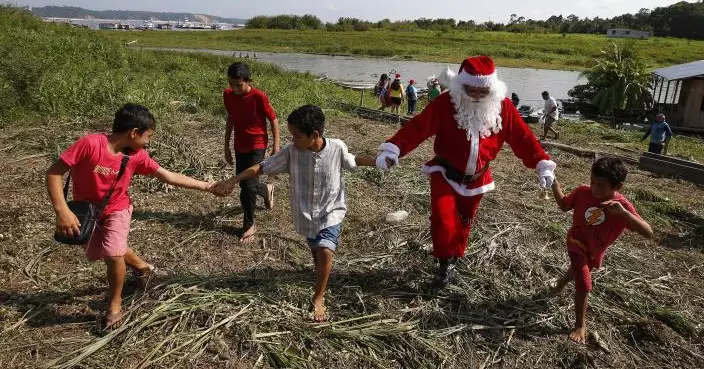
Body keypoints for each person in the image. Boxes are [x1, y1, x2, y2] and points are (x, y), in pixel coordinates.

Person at [375, 56, 556, 288]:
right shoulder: (445, 103)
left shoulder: (504, 108)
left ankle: (454, 258)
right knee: (443, 217)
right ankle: (443, 263)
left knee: (465, 221)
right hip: (445, 173)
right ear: (462, 85)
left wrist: (541, 162)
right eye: (472, 90)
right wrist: (393, 149)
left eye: (484, 91)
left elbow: (523, 139)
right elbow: (418, 127)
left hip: (478, 178)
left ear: (492, 88)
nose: (478, 96)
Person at [46, 104, 218, 330]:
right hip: (88, 211)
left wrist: (208, 186)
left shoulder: (137, 156)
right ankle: (144, 268)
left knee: (113, 254)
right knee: (108, 248)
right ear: (133, 132)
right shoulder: (90, 144)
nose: (149, 142)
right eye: (148, 136)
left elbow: (168, 176)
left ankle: (114, 306)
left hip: (118, 209)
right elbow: (54, 172)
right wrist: (62, 210)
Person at [214, 105, 377, 322]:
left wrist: (379, 161)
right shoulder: (292, 152)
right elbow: (261, 168)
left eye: (296, 136)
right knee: (317, 250)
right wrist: (232, 180)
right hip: (306, 214)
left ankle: (318, 297)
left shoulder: (337, 147)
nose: (292, 140)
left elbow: (354, 160)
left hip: (332, 211)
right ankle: (319, 269)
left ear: (315, 135)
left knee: (326, 251)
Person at [549, 157, 653, 344]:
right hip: (576, 242)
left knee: (576, 270)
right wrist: (554, 183)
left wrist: (623, 214)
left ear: (617, 187)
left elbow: (648, 232)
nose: (594, 188)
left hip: (594, 250)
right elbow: (564, 205)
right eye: (592, 182)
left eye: (601, 185)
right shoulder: (582, 193)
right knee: (584, 282)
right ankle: (580, 325)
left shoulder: (620, 206)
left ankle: (560, 283)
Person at [223, 62, 280, 243]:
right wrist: (226, 145)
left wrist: (276, 145)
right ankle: (266, 189)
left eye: (238, 85)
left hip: (258, 143)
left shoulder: (259, 97)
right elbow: (231, 118)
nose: (235, 88)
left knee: (247, 187)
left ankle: (249, 225)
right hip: (240, 144)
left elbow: (273, 119)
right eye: (232, 84)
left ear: (249, 81)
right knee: (246, 184)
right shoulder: (228, 95)